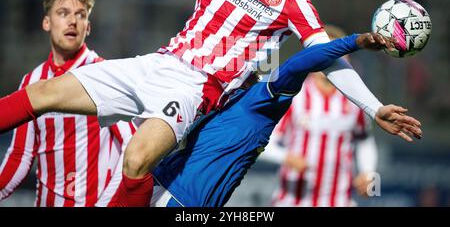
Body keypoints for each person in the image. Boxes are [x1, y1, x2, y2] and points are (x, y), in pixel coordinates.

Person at [0, 0, 422, 207]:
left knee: (136, 158)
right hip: (157, 63)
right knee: (42, 93)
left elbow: (327, 59)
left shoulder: (293, 2)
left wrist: (374, 106)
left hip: (196, 90)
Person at [96, 32, 421, 207]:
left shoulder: (263, 99)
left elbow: (297, 64)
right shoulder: (213, 91)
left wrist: (357, 42)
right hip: (156, 185)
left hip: (186, 200)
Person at [0, 0, 131, 206]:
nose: (73, 21)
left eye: (81, 15)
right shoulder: (32, 81)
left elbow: (130, 146)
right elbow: (20, 154)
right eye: (63, 13)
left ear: (88, 27)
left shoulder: (104, 74)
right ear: (46, 23)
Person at [260, 25, 378, 207]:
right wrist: (286, 157)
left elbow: (364, 140)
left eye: (339, 52)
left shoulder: (356, 100)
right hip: (292, 200)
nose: (332, 58)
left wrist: (369, 173)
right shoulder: (294, 95)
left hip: (339, 201)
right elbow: (263, 144)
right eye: (326, 51)